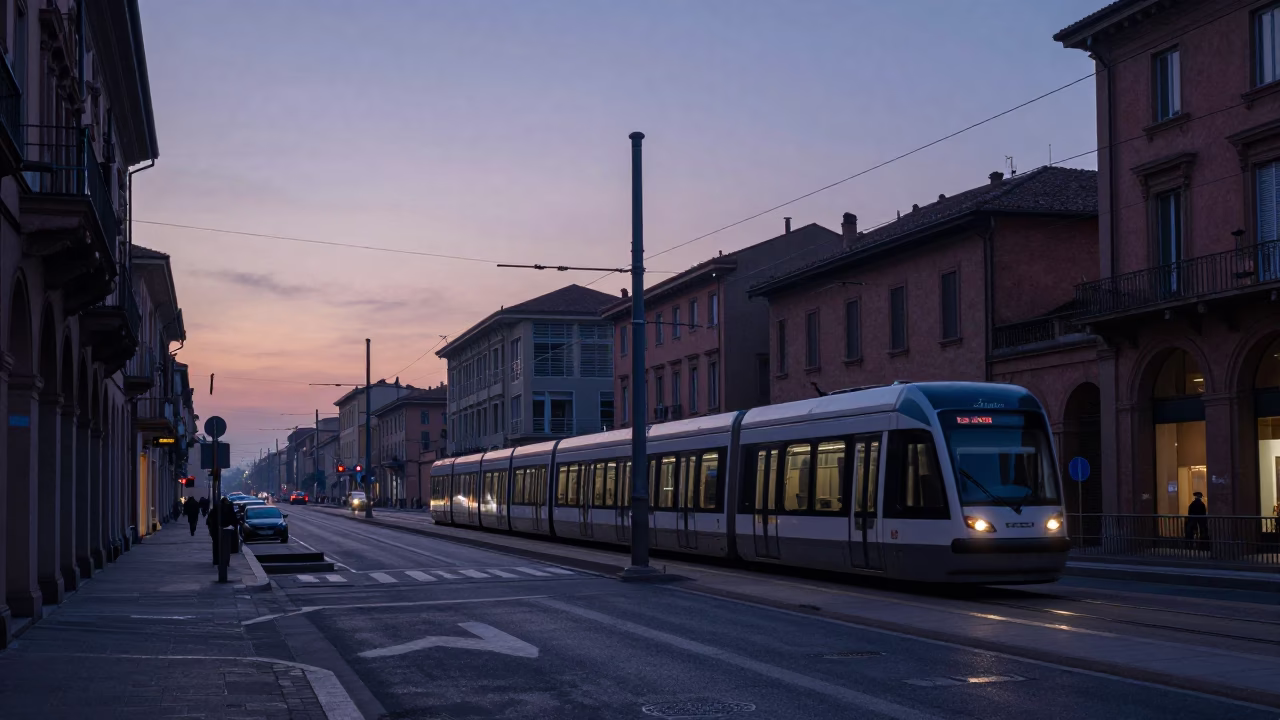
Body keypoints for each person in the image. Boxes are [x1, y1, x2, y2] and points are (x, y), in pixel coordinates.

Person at [205, 496, 238, 565]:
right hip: (227, 529)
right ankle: (225, 561)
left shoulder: (216, 508)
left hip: (216, 530)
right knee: (226, 546)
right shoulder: (229, 509)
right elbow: (234, 520)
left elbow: (209, 519)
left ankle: (217, 560)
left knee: (216, 545)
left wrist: (211, 528)